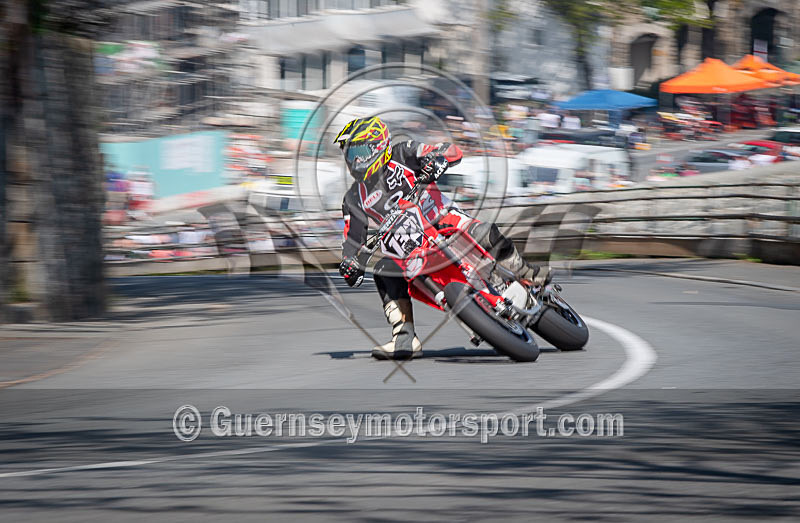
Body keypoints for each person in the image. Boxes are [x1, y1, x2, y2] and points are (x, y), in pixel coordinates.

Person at [335, 117, 551, 360]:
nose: (353, 160)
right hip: (407, 247)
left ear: (377, 145)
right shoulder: (353, 198)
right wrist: (350, 262)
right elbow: (351, 238)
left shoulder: (403, 153)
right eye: (349, 153)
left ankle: (526, 272)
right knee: (383, 269)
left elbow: (448, 150)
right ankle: (403, 336)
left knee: (485, 232)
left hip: (441, 219)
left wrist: (438, 161)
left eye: (358, 151)